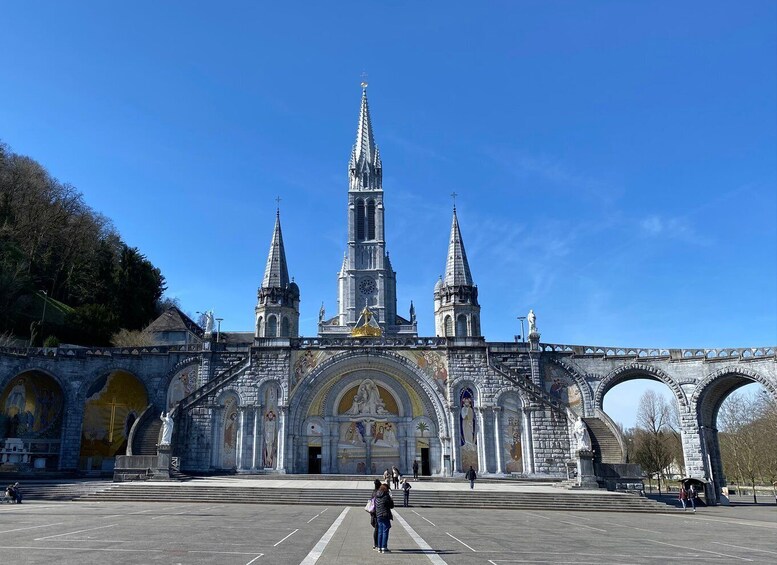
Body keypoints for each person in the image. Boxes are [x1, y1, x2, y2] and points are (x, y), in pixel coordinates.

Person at [374, 483, 394, 553]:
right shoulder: (386, 496)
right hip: (385, 514)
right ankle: (384, 547)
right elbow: (391, 506)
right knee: (385, 530)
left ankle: (379, 547)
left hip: (378, 515)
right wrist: (391, 498)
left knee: (380, 531)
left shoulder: (377, 495)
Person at [369, 479, 381, 551]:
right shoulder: (378, 493)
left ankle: (375, 544)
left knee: (376, 529)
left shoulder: (373, 492)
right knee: (378, 529)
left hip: (373, 513)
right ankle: (377, 544)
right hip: (378, 512)